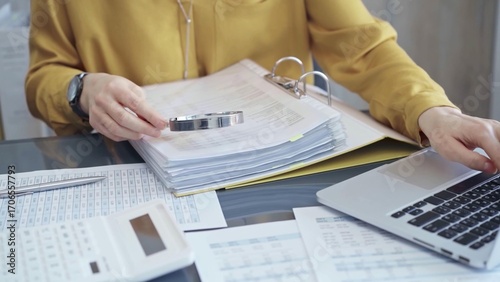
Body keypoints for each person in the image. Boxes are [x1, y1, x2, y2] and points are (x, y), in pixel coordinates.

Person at [25, 0, 500, 174]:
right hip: (133, 168)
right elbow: (44, 76)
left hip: (280, 166)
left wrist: (432, 112)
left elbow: (363, 48)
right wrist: (82, 90)